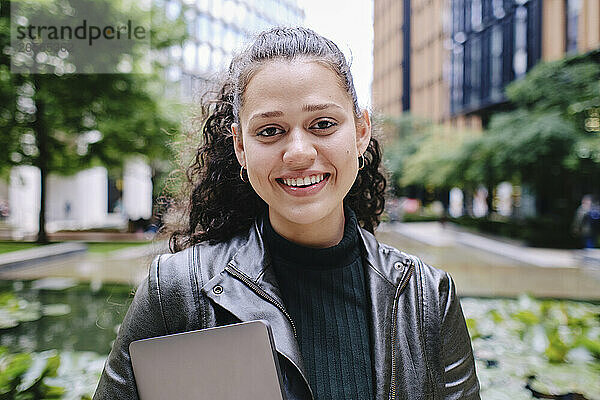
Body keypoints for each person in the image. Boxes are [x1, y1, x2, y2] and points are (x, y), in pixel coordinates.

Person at [93, 27, 480, 400]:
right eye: (270, 131)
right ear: (240, 147)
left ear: (361, 132)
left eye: (323, 124)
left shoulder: (428, 297)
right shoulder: (176, 289)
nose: (298, 152)